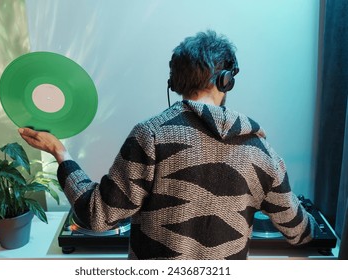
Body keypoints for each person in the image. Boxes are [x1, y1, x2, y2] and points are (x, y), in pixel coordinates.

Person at [19, 30, 315, 259]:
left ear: (175, 83)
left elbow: (98, 215)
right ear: (225, 81)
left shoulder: (150, 136)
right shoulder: (260, 151)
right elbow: (299, 232)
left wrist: (61, 154)